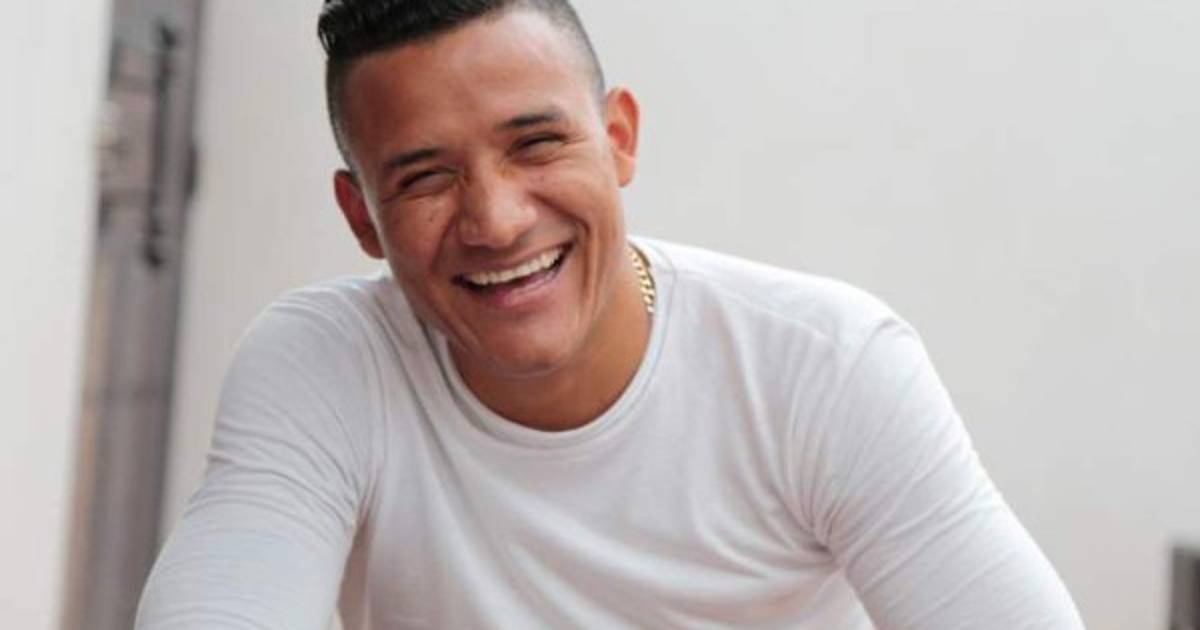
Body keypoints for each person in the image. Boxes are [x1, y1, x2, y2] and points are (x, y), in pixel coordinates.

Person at [137, 1, 1086, 628]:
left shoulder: (826, 367)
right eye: (425, 177)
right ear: (361, 218)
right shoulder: (325, 366)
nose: (496, 221)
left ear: (618, 138)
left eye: (536, 145)